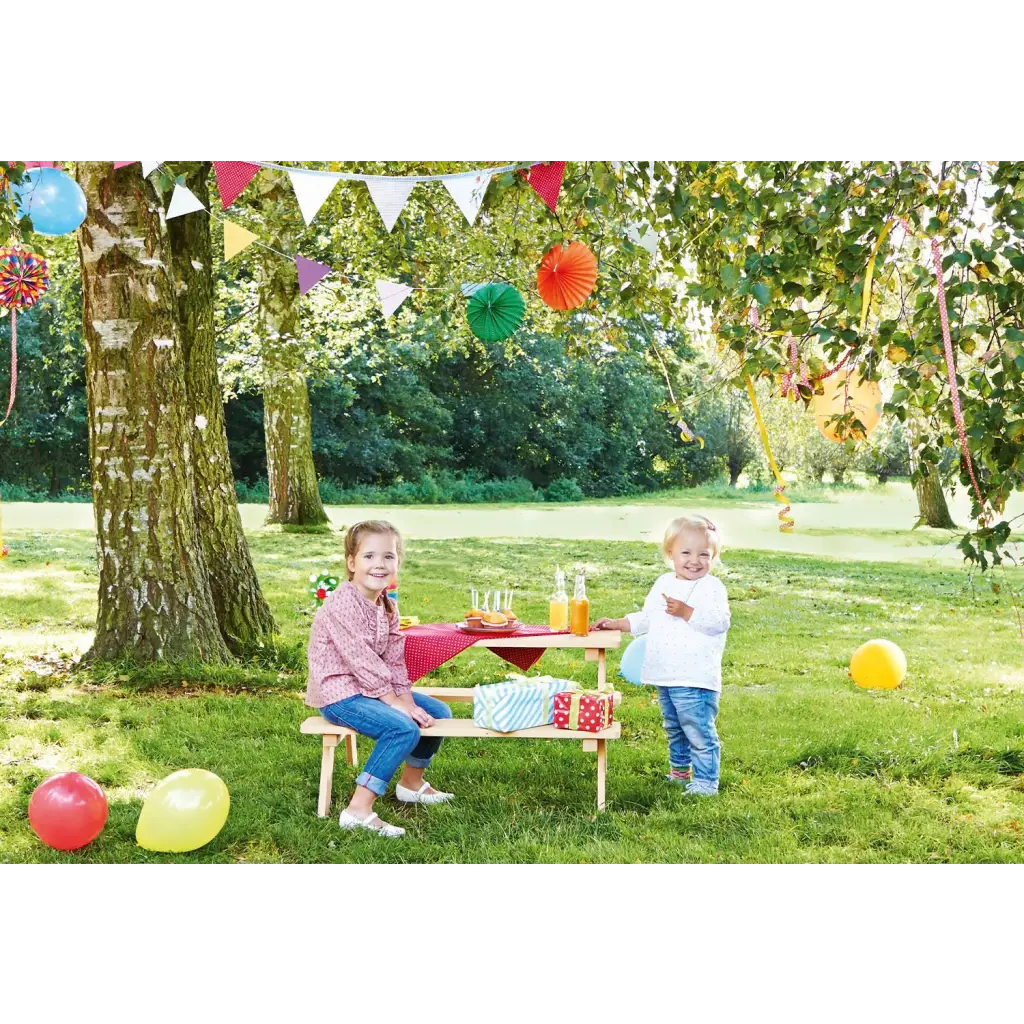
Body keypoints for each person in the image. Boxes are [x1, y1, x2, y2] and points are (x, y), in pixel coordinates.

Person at [306, 520, 453, 838]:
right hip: (340, 694)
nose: (379, 564)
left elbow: (394, 661)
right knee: (401, 728)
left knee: (439, 713)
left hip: (371, 690)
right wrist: (397, 706)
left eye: (388, 556)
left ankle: (411, 784)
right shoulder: (341, 605)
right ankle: (358, 810)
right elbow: (363, 663)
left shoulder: (388, 606)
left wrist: (407, 699)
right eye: (369, 556)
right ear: (352, 562)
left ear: (397, 562)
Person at [595, 515, 730, 796]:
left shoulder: (711, 588)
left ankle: (706, 782)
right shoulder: (663, 583)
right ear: (671, 553)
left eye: (704, 554)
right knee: (675, 727)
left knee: (698, 730)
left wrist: (686, 612)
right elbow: (648, 618)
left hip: (695, 676)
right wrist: (618, 623)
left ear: (713, 557)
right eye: (686, 553)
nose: (695, 560)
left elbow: (719, 623)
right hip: (666, 673)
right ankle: (680, 772)